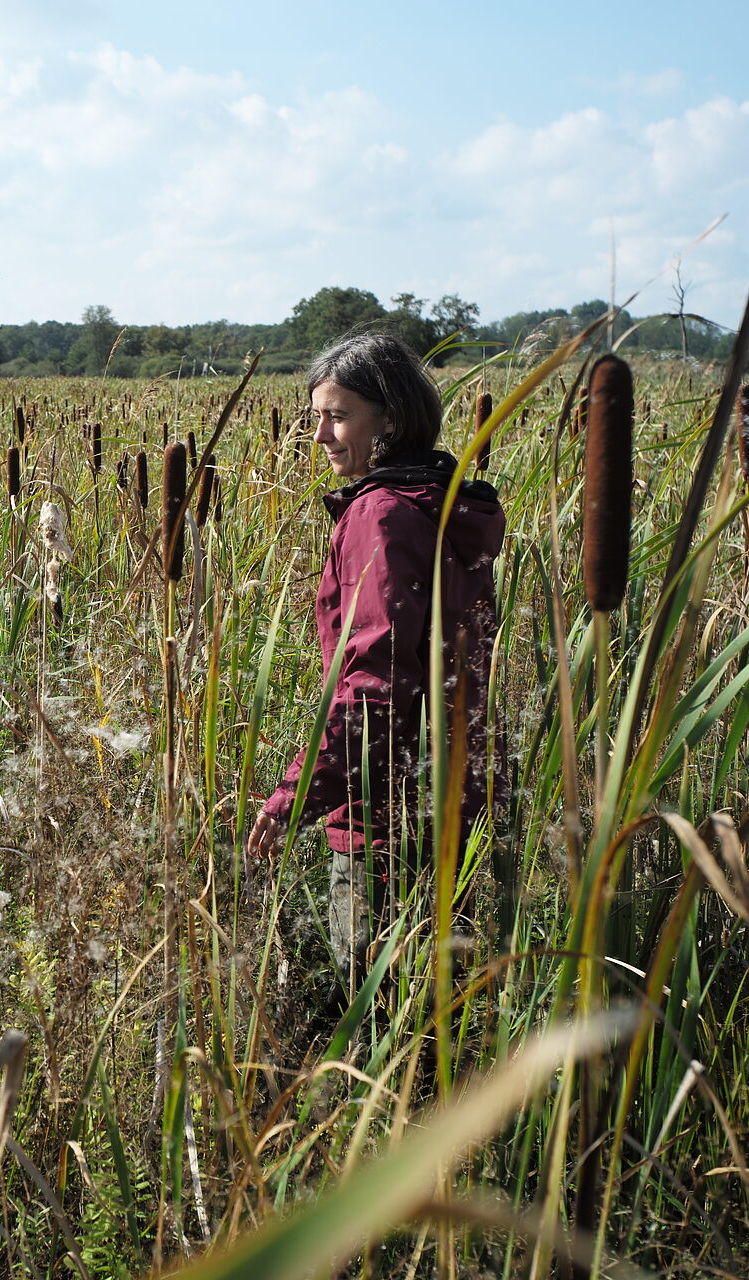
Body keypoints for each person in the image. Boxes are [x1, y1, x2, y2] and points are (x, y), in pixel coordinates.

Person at [245, 333, 506, 970]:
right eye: (316, 417)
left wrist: (290, 800)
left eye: (337, 416)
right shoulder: (446, 503)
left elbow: (376, 683)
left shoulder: (380, 514)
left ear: (388, 419)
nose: (320, 435)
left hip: (386, 816)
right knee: (441, 1012)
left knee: (374, 1017)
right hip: (461, 796)